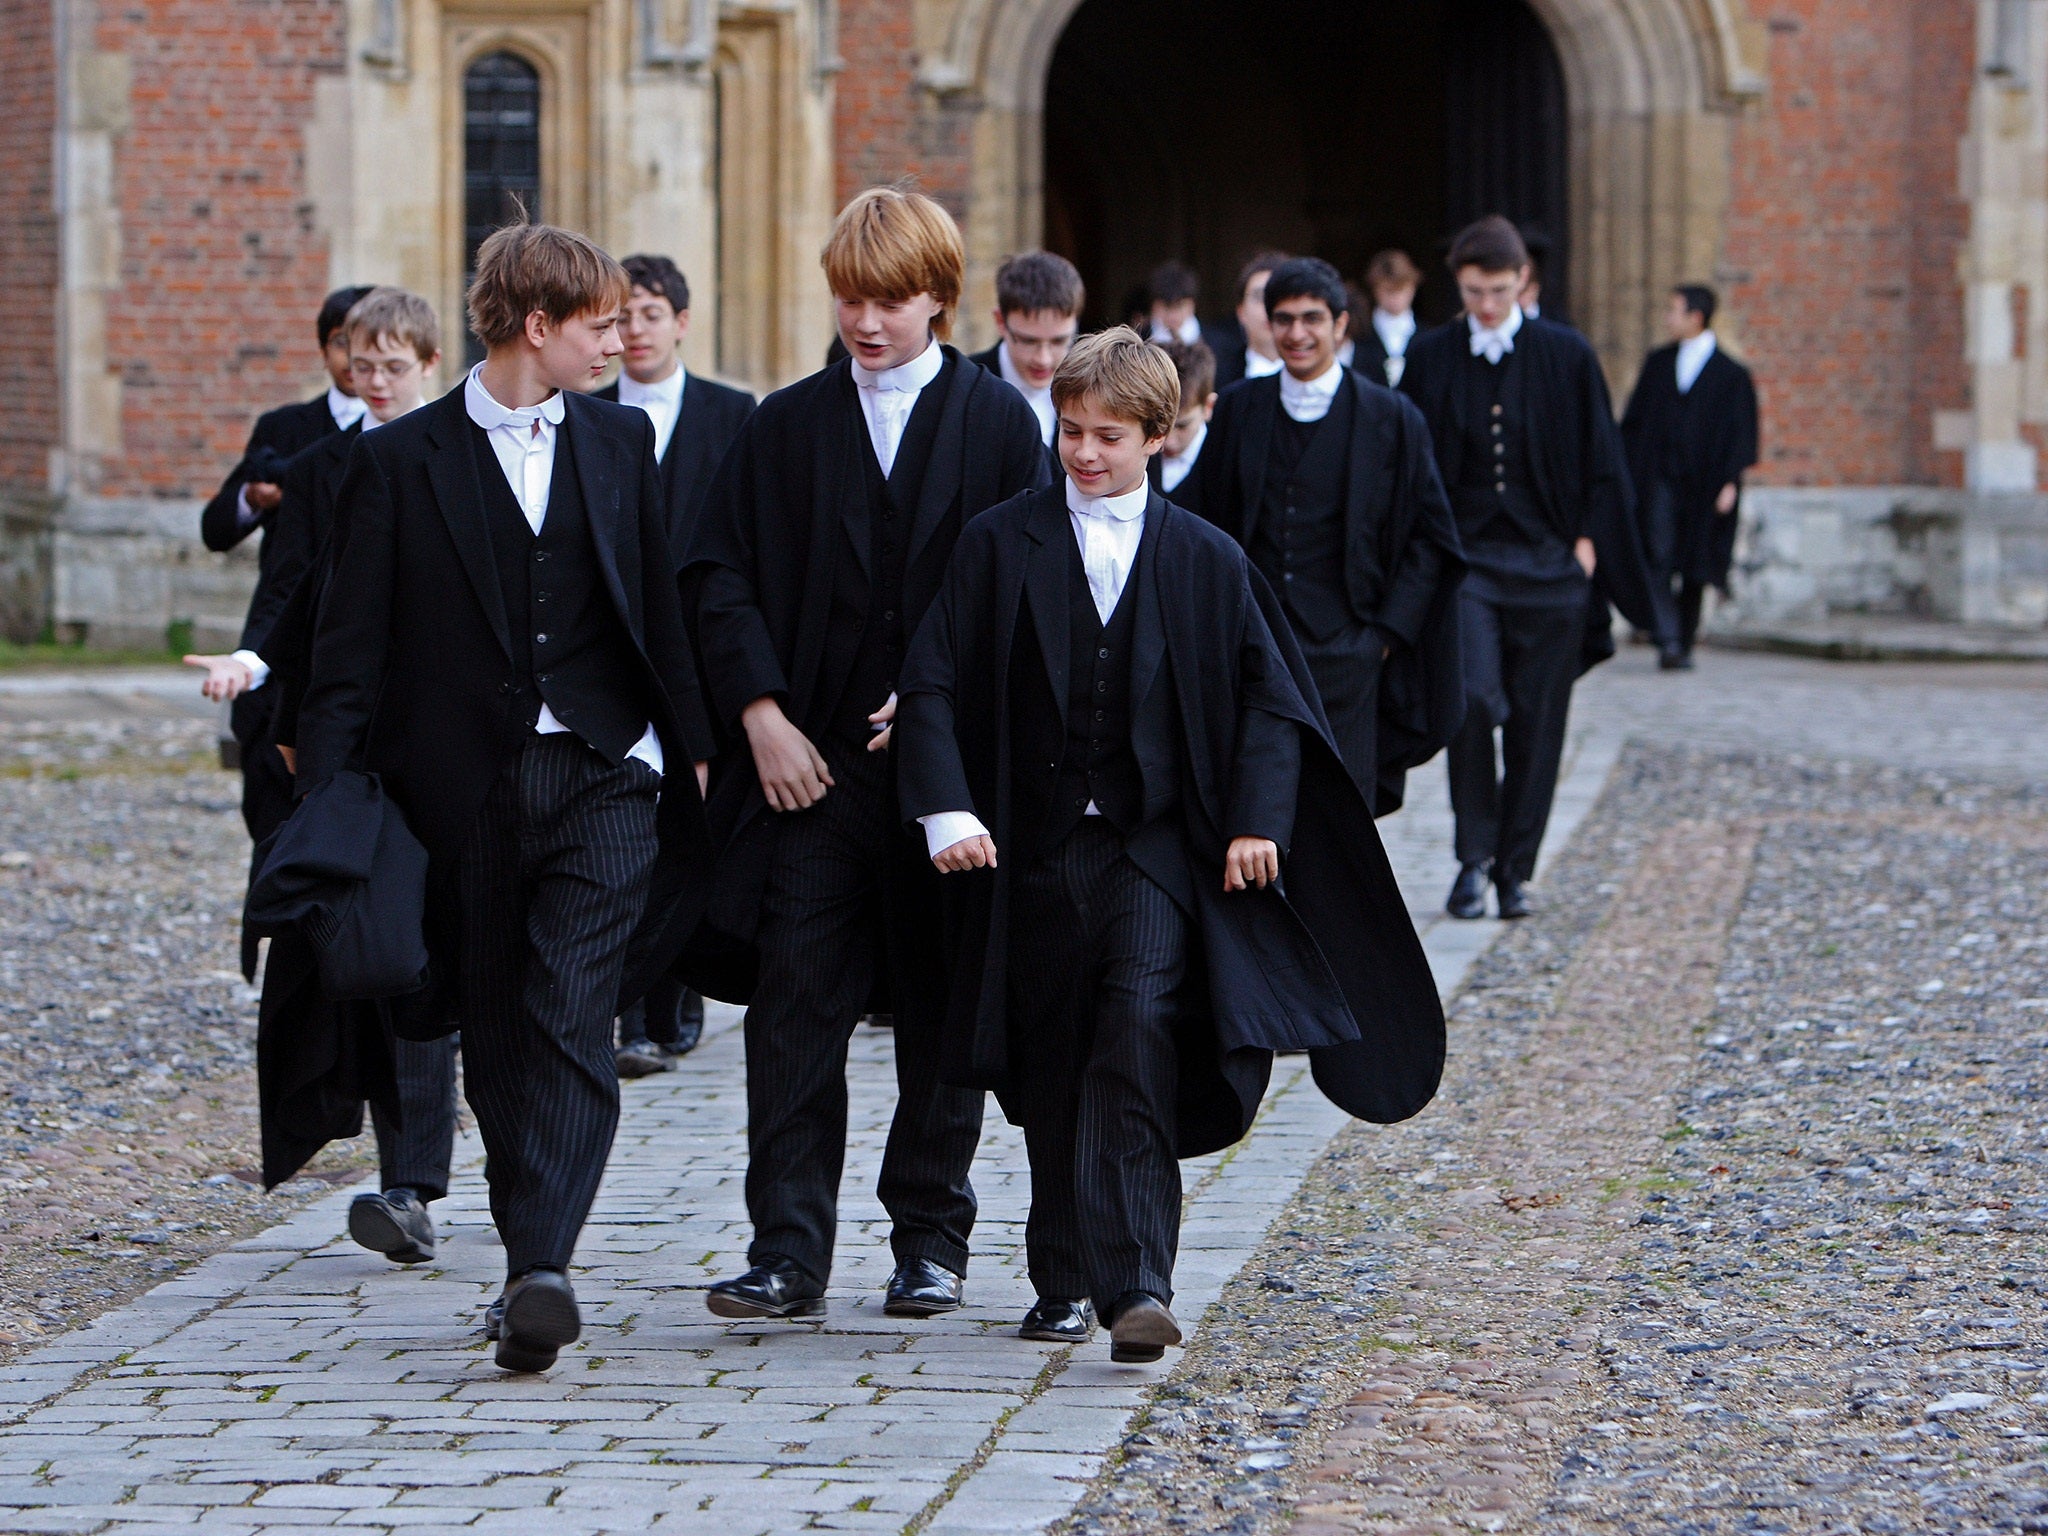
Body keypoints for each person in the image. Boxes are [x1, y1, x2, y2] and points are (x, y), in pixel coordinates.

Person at [894, 328, 1445, 1360]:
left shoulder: (1204, 558)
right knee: (1052, 1057)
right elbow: (931, 677)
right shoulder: (996, 542)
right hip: (1029, 851)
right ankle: (1061, 1275)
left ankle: (1138, 1282)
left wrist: (1255, 822)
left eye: (1108, 436)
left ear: (1159, 436)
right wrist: (945, 808)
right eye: (1069, 432)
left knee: (1137, 1032)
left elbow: (1270, 703)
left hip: (1151, 852)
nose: (1084, 453)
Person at [296, 222, 715, 1373]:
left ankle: (541, 1266)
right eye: (598, 325)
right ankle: (532, 1263)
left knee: (570, 1007)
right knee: (495, 1023)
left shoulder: (621, 442)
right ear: (537, 327)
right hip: (460, 793)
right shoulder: (398, 464)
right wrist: (327, 813)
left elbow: (658, 615)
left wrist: (697, 754)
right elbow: (348, 654)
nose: (618, 342)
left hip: (603, 774)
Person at [681, 187, 1049, 1325]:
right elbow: (714, 575)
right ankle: (786, 1250)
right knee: (794, 1008)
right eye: (849, 297)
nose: (865, 321)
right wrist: (759, 715)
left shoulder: (997, 427)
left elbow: (1025, 589)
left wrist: (942, 709)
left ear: (940, 296)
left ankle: (929, 1243)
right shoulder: (781, 426)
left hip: (943, 782)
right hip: (812, 772)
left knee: (943, 1009)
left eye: (889, 300)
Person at [185, 287, 462, 1269]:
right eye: (361, 365)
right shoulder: (328, 465)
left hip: (463, 747)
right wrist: (258, 674)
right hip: (365, 753)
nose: (373, 382)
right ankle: (409, 1184)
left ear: (431, 363)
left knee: (475, 971)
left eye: (393, 366)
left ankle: (521, 1166)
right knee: (392, 958)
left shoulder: (465, 453)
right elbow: (296, 596)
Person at [1400, 216, 1660, 922]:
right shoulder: (1431, 356)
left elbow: (1602, 459)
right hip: (1470, 566)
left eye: (1501, 290)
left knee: (1539, 724)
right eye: (1476, 290)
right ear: (1459, 283)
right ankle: (1472, 858)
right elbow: (1412, 467)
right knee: (1475, 702)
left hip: (1548, 565)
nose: (1488, 304)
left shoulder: (1566, 354)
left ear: (1524, 283)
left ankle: (1516, 870)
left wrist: (1585, 544)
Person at [1195, 258, 1464, 815]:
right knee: (1255, 806)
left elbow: (1429, 538)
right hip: (1256, 645)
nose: (1297, 334)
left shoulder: (1393, 418)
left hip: (1350, 650)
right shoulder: (1240, 409)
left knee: (1344, 817)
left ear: (1341, 324)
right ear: (1268, 325)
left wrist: (1384, 635)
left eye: (1312, 319)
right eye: (1284, 319)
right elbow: (1205, 520)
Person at [592, 251, 757, 1074]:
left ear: (681, 322)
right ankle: (632, 1008)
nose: (634, 330)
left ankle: (679, 990)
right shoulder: (586, 415)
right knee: (631, 823)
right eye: (620, 317)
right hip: (626, 652)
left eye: (649, 314)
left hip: (707, 652)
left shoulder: (733, 415)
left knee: (696, 823)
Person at [199, 285, 374, 839]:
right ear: (324, 350)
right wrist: (256, 497)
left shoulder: (420, 433)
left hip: (363, 651)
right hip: (286, 641)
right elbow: (217, 528)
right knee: (274, 827)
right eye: (343, 343)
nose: (357, 361)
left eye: (371, 345)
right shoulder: (287, 429)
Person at [1620, 283, 1759, 669]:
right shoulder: (1659, 363)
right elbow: (1636, 422)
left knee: (1695, 564)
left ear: (1695, 317)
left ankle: (1684, 638)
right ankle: (1666, 637)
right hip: (1661, 478)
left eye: (1674, 310)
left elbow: (1740, 432)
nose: (1668, 318)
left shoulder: (1730, 374)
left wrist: (1729, 481)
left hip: (1705, 484)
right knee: (1658, 553)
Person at [970, 251, 1085, 454]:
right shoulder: (967, 386)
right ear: (1000, 321)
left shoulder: (1093, 386)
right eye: (1028, 341)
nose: (1043, 359)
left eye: (1059, 341)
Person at [1148, 339, 1215, 509]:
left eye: (1182, 426)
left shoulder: (1223, 461)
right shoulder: (1137, 455)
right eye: (1159, 424)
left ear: (1208, 407)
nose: (1168, 440)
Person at [1209, 251, 1289, 389]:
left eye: (1279, 296)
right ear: (1241, 312)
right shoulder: (1215, 377)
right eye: (1259, 297)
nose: (1270, 308)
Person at [1354, 250, 1421, 389]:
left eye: (1401, 289)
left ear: (1413, 287)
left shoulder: (1427, 337)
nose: (1395, 298)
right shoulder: (1360, 335)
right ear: (1375, 289)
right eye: (1388, 290)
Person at [1146, 260, 1204, 347]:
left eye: (1179, 306)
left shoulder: (1217, 344)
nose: (1172, 315)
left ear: (1192, 305)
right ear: (1154, 306)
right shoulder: (1136, 343)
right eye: (1166, 306)